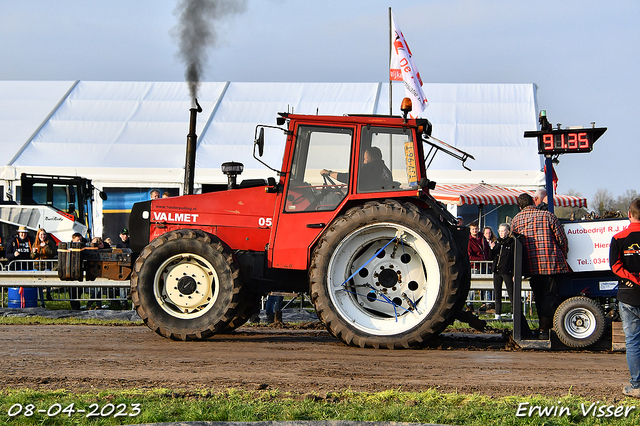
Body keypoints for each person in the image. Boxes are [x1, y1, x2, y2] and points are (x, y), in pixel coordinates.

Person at [511, 193, 570, 340]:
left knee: (539, 298)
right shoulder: (548, 216)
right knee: (551, 298)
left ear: (519, 206)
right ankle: (547, 329)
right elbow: (562, 239)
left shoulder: (516, 220)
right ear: (533, 202)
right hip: (551, 264)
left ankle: (543, 329)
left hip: (531, 266)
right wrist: (564, 255)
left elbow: (515, 246)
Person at [609, 198, 640, 397]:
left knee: (633, 342)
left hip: (629, 296)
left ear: (629, 214)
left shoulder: (619, 237)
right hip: (630, 294)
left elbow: (615, 266)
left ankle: (637, 386)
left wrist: (633, 279)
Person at [490, 223, 533, 336]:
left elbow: (514, 258)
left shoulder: (512, 243)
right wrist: (492, 248)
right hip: (497, 271)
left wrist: (515, 273)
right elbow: (491, 256)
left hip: (507, 271)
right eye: (500, 231)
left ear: (508, 231)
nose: (501, 233)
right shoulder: (498, 242)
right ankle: (497, 314)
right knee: (497, 292)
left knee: (511, 293)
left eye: (504, 231)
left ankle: (514, 314)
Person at [320, 146, 392, 191]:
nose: (363, 162)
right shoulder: (385, 170)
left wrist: (329, 173)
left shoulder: (370, 168)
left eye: (364, 159)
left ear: (370, 158)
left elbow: (350, 178)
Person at [31, 228, 57, 307]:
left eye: (44, 234)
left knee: (48, 278)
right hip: (37, 266)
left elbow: (53, 253)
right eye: (41, 234)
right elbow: (32, 256)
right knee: (39, 284)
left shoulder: (50, 243)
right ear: (38, 236)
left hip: (46, 265)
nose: (43, 236)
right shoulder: (35, 244)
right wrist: (34, 253)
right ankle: (42, 302)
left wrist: (46, 247)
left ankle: (48, 293)